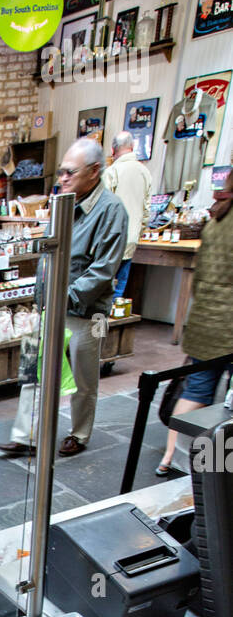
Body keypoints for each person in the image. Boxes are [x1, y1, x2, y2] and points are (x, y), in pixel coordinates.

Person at [0, 138, 127, 458]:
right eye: (61, 172)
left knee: (85, 378)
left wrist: (62, 296)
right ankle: (26, 435)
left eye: (70, 172)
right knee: (32, 370)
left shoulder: (112, 210)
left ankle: (80, 433)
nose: (62, 178)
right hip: (50, 305)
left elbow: (103, 270)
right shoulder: (62, 202)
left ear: (95, 171)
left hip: (88, 312)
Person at [156, 167, 233, 475]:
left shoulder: (217, 219)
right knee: (228, 407)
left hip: (205, 322)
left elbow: (200, 276)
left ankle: (170, 456)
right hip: (229, 327)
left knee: (195, 392)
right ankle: (217, 471)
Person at [103, 132, 152, 299]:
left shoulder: (112, 171)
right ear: (132, 148)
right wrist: (138, 231)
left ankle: (100, 322)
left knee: (103, 289)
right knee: (119, 288)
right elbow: (146, 210)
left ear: (113, 150)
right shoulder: (144, 172)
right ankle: (113, 321)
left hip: (110, 239)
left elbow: (102, 209)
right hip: (130, 237)